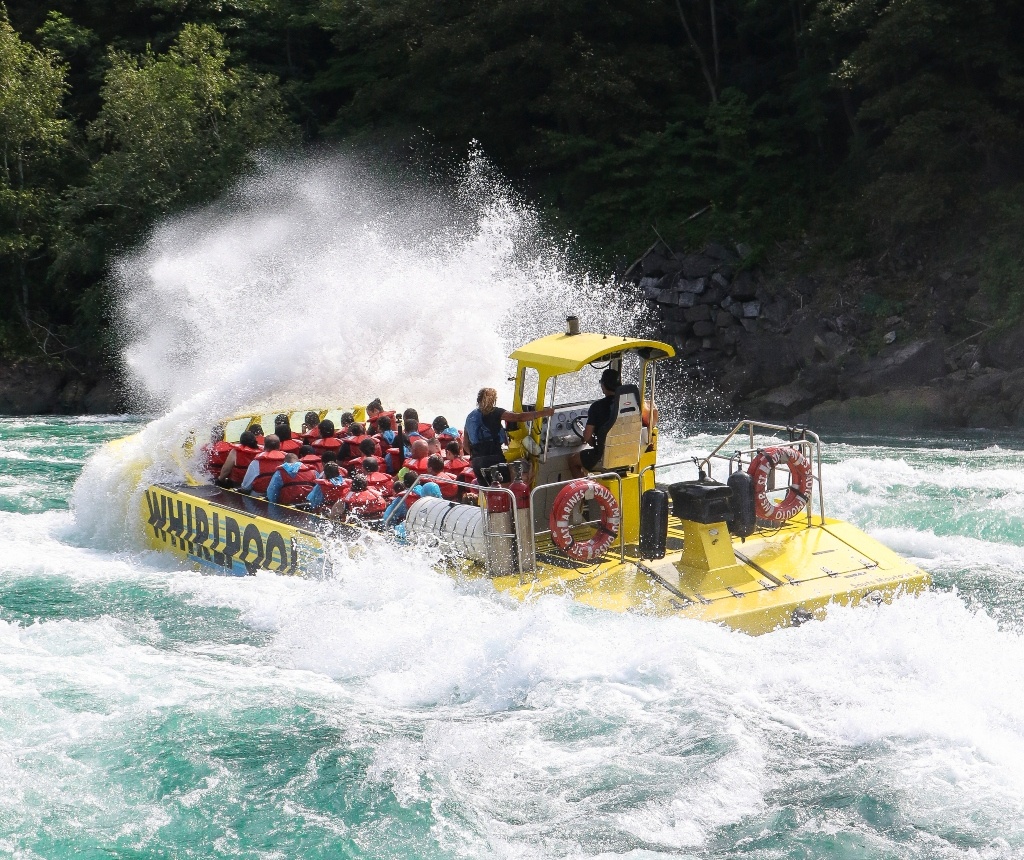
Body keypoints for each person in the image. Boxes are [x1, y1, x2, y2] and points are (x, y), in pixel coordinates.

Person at [464, 387, 553, 483]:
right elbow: (519, 417)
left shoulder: (469, 417)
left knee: (489, 493)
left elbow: (465, 445)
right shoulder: (495, 412)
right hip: (494, 458)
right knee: (506, 489)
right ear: (494, 400)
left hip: (477, 462)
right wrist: (545, 412)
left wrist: (477, 456)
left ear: (479, 400)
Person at [568, 368, 621, 478]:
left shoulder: (597, 407)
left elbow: (587, 436)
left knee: (573, 460)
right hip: (625, 455)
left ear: (603, 385)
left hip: (605, 457)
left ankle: (586, 492)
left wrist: (592, 441)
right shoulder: (628, 404)